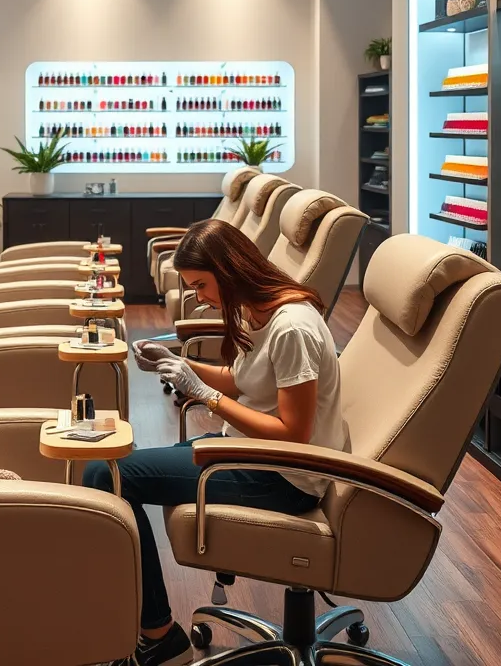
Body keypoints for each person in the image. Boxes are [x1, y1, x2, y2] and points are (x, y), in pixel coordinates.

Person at [83, 219, 348, 666]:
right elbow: (248, 382)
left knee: (105, 475)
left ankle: (158, 635)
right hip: (248, 453)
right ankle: (147, 629)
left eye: (203, 286)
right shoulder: (257, 310)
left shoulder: (292, 328)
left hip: (283, 477)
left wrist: (207, 396)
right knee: (106, 469)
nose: (201, 298)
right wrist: (180, 363)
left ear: (230, 270)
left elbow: (294, 434)